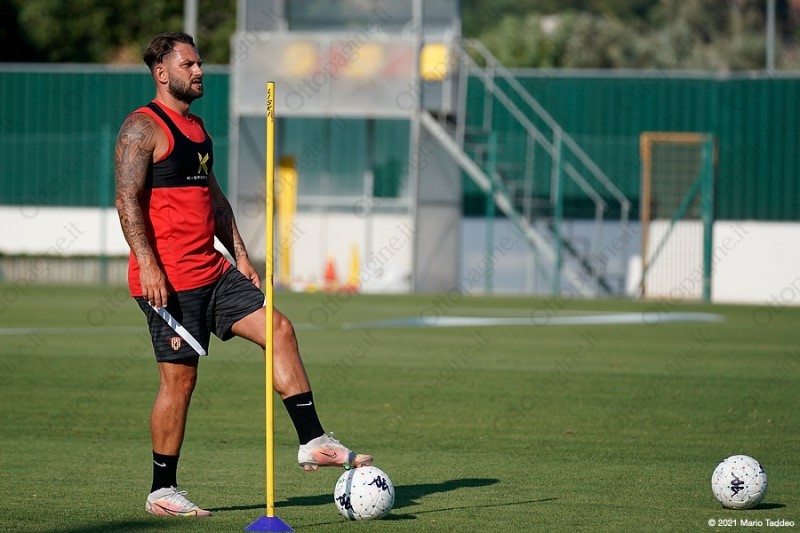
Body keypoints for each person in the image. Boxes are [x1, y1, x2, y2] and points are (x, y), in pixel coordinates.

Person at [114, 32, 372, 518]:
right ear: (162, 73)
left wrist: (241, 256)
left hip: (213, 271)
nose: (199, 71)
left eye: (199, 62)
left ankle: (313, 440)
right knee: (180, 383)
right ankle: (162, 492)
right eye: (189, 64)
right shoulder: (141, 127)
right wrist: (147, 263)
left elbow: (215, 200)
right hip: (169, 281)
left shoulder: (198, 130)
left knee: (280, 329)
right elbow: (126, 199)